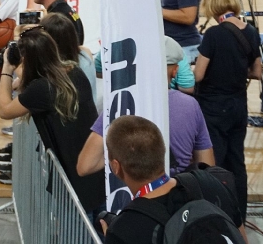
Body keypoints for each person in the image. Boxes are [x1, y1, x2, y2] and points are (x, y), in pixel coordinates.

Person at [0, 27, 104, 212]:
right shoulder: (74, 72)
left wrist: (6, 68)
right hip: (93, 168)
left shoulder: (42, 88)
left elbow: (5, 110)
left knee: (78, 223)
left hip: (74, 177)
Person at [77, 36, 214, 179]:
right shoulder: (190, 105)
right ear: (175, 71)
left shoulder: (121, 103)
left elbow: (85, 166)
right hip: (179, 188)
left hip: (134, 190)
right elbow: (207, 165)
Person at [100, 116, 245, 244]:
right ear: (162, 152)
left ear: (116, 166)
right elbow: (240, 238)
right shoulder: (210, 183)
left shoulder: (124, 229)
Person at [194, 0, 262, 219]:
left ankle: (216, 214)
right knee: (237, 162)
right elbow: (256, 72)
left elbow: (198, 75)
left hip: (213, 107)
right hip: (238, 105)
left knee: (214, 163)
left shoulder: (213, 34)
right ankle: (238, 215)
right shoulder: (251, 31)